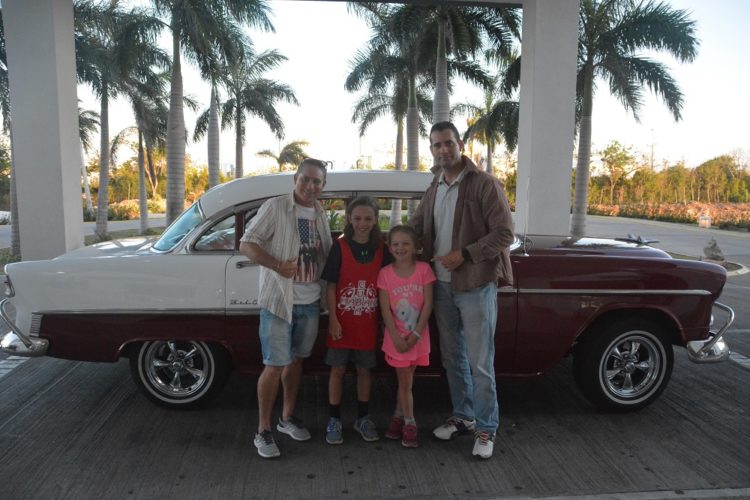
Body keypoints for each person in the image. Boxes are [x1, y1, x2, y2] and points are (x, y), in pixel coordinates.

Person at [410, 121, 514, 459]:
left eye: (448, 143)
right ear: (431, 149)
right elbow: (416, 228)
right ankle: (464, 416)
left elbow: (503, 234)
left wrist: (465, 254)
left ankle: (486, 429)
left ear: (460, 144)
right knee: (453, 356)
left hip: (474, 284)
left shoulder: (484, 185)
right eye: (436, 145)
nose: (443, 150)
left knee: (481, 361)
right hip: (439, 285)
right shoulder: (434, 187)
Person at [240, 158, 333, 459]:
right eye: (305, 179)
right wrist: (278, 265)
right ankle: (263, 430)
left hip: (310, 302)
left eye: (317, 181)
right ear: (295, 178)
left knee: (296, 362)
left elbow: (323, 256)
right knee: (275, 364)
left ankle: (286, 418)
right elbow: (247, 243)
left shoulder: (320, 213)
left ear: (323, 185)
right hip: (280, 301)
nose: (310, 185)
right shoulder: (276, 207)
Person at [321, 196, 391, 445]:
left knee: (364, 370)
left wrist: (385, 322)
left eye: (368, 218)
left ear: (376, 220)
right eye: (358, 218)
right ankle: (334, 419)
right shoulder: (339, 247)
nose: (363, 223)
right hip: (342, 323)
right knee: (337, 370)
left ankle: (363, 417)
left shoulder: (382, 249)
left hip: (368, 324)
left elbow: (387, 287)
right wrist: (333, 320)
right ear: (349, 218)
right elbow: (330, 286)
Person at [377, 225, 435, 448]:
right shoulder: (385, 274)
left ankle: (397, 417)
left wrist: (416, 334)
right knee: (404, 382)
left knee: (407, 380)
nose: (400, 248)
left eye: (405, 243)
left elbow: (428, 304)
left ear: (415, 247)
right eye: (395, 244)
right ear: (389, 247)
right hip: (396, 339)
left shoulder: (424, 270)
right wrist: (396, 337)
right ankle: (410, 424)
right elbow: (385, 311)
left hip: (418, 338)